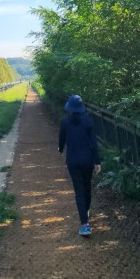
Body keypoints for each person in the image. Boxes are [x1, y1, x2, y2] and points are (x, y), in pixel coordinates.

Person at [58, 94, 101, 237]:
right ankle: (86, 213)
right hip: (87, 160)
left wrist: (60, 150)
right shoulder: (88, 122)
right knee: (87, 187)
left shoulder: (64, 122)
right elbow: (94, 144)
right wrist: (97, 162)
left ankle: (84, 224)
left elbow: (61, 139)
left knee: (78, 190)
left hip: (73, 161)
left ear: (69, 108)